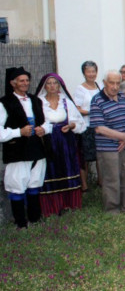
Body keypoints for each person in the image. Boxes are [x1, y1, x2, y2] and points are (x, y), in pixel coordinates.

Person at [0, 67, 50, 227]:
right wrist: (18, 132)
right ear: (12, 83)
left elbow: (47, 121)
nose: (25, 83)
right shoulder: (4, 103)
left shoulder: (36, 100)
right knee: (17, 184)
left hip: (36, 148)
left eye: (27, 80)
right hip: (18, 150)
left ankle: (35, 218)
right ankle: (20, 222)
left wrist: (44, 129)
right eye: (21, 80)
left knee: (35, 182)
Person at [36, 73, 86, 217]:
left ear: (59, 86)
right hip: (48, 142)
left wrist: (71, 125)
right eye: (49, 83)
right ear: (44, 86)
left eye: (55, 83)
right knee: (50, 171)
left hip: (65, 142)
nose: (52, 86)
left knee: (67, 169)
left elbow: (79, 122)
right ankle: (52, 207)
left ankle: (70, 204)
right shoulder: (39, 102)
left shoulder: (66, 102)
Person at [90, 70, 125, 214]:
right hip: (108, 148)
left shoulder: (122, 97)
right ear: (104, 83)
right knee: (111, 180)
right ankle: (112, 211)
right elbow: (99, 128)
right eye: (112, 83)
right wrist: (122, 137)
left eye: (118, 83)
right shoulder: (97, 100)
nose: (115, 86)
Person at [73, 60, 103, 191]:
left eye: (93, 71)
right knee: (84, 156)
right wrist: (92, 112)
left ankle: (101, 180)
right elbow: (77, 109)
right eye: (88, 71)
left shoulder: (100, 86)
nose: (91, 74)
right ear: (84, 73)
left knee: (100, 155)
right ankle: (84, 184)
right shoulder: (80, 89)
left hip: (99, 126)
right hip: (86, 126)